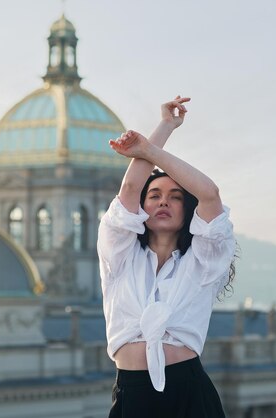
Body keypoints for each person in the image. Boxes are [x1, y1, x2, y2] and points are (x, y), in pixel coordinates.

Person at [97, 96, 236, 417]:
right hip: (133, 393)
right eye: (155, 195)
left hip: (189, 393)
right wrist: (164, 127)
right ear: (142, 208)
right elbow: (130, 187)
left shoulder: (203, 261)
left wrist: (151, 152)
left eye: (175, 197)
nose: (163, 202)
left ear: (187, 209)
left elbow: (209, 194)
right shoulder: (118, 257)